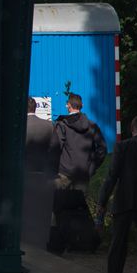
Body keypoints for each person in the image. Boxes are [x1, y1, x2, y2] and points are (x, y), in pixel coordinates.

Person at [50, 93, 107, 254]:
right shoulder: (92, 126)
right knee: (79, 209)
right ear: (80, 106)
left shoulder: (62, 125)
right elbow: (102, 150)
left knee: (59, 208)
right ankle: (80, 242)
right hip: (82, 174)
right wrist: (91, 168)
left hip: (63, 173)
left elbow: (55, 149)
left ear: (69, 105)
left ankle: (60, 243)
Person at [97, 115, 137, 273]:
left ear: (132, 129)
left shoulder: (122, 147)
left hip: (124, 201)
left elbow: (112, 176)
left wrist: (102, 201)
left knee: (118, 243)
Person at [22, 97, 61, 247]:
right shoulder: (49, 126)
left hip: (24, 175)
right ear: (35, 108)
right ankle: (41, 239)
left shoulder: (18, 126)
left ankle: (25, 239)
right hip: (43, 175)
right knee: (42, 210)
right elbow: (56, 150)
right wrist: (51, 172)